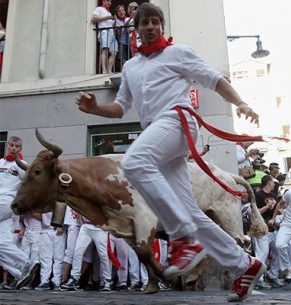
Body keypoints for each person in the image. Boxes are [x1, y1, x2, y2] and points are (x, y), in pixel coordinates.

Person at [74, 3, 264, 302]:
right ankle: (244, 264)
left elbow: (214, 79)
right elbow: (120, 107)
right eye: (144, 23)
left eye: (155, 22)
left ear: (162, 26)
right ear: (135, 30)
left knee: (134, 162)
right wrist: (95, 108)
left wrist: (240, 103)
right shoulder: (130, 67)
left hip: (178, 120)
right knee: (188, 210)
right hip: (158, 133)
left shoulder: (178, 53)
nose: (150, 27)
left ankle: (182, 236)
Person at [0, 136, 40, 289]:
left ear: (20, 149)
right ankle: (20, 272)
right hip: (3, 211)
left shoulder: (22, 165)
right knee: (2, 244)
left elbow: (32, 184)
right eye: (11, 145)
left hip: (6, 202)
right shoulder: (0, 163)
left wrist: (24, 204)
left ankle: (25, 264)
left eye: (17, 146)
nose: (13, 148)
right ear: (7, 146)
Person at [91, 0, 118, 74]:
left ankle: (109, 70)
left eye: (110, 1)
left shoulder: (109, 12)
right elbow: (93, 18)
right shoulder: (99, 9)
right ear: (103, 1)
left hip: (112, 34)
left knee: (114, 52)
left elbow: (112, 25)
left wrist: (114, 20)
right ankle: (104, 70)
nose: (109, 2)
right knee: (105, 51)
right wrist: (107, 17)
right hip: (104, 32)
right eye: (107, 0)